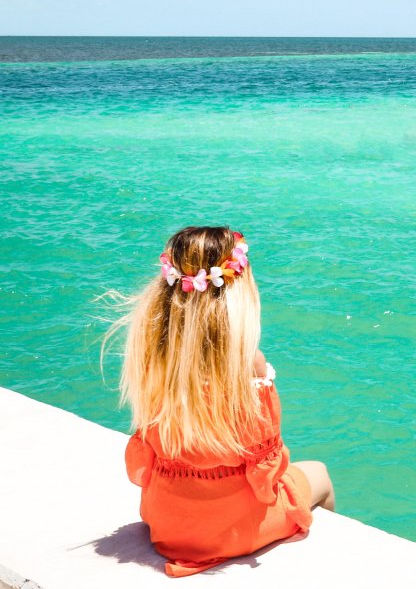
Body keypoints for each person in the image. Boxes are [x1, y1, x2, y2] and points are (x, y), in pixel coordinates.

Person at [111, 225, 335, 577]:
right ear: (238, 294)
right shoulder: (248, 365)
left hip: (168, 526)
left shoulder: (154, 359)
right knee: (319, 473)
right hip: (232, 533)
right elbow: (268, 468)